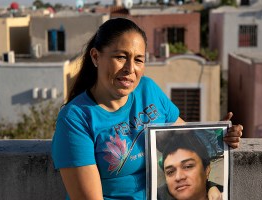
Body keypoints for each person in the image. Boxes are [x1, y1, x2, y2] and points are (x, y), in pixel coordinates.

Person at [51, 17, 243, 200]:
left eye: (138, 60)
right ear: (95, 57)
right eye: (120, 57)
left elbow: (186, 136)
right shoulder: (75, 119)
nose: (130, 68)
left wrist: (220, 136)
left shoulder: (148, 90)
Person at [157, 132, 223, 200]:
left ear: (207, 170)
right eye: (170, 172)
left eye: (188, 166)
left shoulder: (228, 193)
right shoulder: (156, 195)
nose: (178, 177)